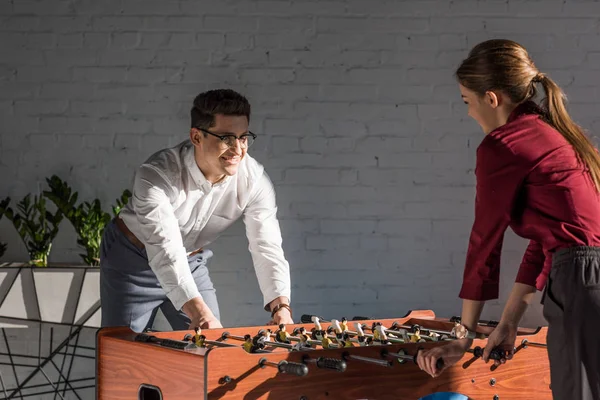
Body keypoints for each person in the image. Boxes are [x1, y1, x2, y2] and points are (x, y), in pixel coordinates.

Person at [417, 39, 600, 400]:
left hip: (581, 283)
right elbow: (546, 243)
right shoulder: (557, 134)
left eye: (467, 102)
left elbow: (484, 243)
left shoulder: (503, 144)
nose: (469, 113)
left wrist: (463, 335)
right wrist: (509, 321)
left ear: (492, 98)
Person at [100, 89, 294, 333]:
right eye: (226, 138)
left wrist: (280, 307)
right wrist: (200, 312)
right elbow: (164, 249)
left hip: (191, 260)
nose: (238, 149)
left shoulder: (255, 181)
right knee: (122, 359)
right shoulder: (156, 176)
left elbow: (267, 246)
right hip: (132, 260)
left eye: (243, 137)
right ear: (196, 137)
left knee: (212, 345)